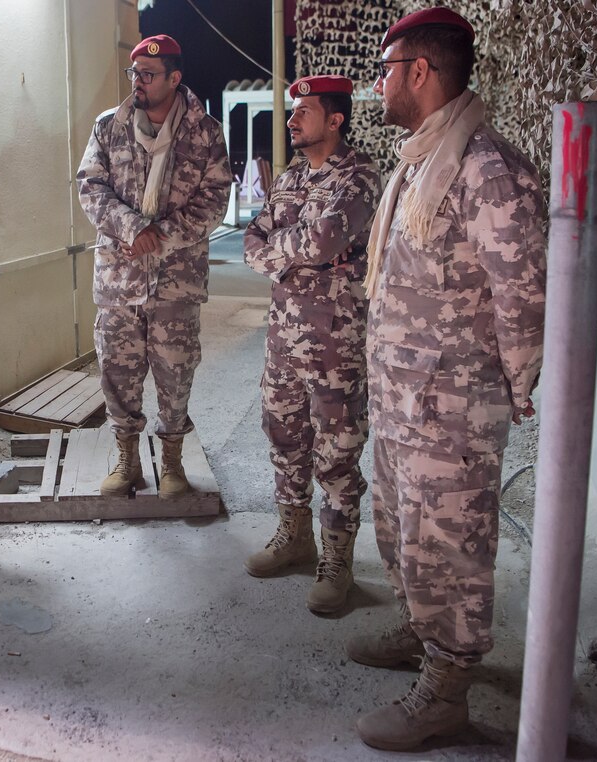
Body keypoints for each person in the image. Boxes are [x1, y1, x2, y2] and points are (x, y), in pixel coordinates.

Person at [348, 8, 548, 751]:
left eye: (386, 70)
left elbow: (523, 294)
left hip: (453, 408)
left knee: (450, 545)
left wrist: (519, 385)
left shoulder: (485, 168)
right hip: (405, 399)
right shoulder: (421, 160)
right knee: (405, 533)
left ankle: (448, 690)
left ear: (420, 72)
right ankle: (418, 627)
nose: (379, 85)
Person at [242, 76, 380, 614]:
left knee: (337, 453)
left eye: (303, 112)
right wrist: (293, 252)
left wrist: (286, 251)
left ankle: (337, 561)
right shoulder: (291, 179)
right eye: (291, 112)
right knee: (284, 437)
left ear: (336, 119)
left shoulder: (360, 177)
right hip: (283, 339)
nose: (292, 120)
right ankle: (293, 536)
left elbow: (322, 242)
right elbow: (252, 244)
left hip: (335, 343)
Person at [76, 35, 232, 499]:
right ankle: (127, 463)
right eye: (134, 74)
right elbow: (91, 187)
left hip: (175, 282)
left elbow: (215, 199)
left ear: (174, 78)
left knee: (175, 374)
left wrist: (159, 236)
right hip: (119, 280)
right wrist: (131, 227)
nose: (138, 82)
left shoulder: (205, 132)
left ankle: (172, 466)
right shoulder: (110, 126)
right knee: (118, 373)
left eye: (148, 74)